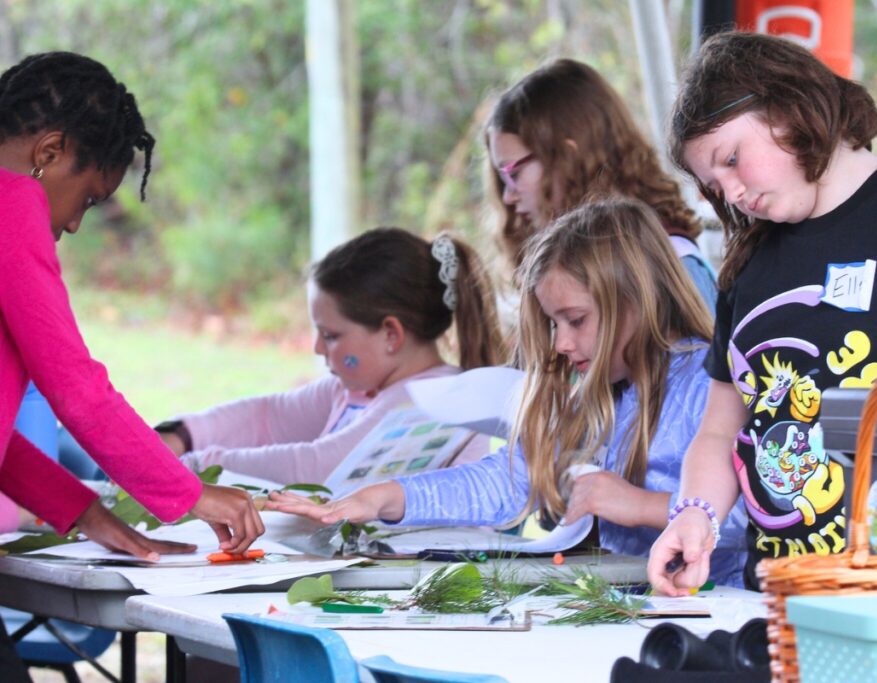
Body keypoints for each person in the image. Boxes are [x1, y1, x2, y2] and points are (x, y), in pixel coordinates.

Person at [647, 31, 877, 596]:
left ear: (789, 105)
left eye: (732, 159)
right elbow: (721, 428)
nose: (732, 193)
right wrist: (694, 513)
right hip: (770, 597)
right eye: (713, 185)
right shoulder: (749, 263)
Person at [267, 199, 749, 587]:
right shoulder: (598, 395)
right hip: (636, 606)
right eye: (553, 324)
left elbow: (756, 517)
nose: (561, 343)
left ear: (635, 302)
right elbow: (508, 481)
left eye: (576, 320)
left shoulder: (708, 387)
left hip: (720, 613)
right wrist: (381, 499)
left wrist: (637, 505)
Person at [0, 52, 264, 559]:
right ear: (50, 151)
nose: (76, 224)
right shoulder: (13, 203)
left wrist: (86, 512)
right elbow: (77, 390)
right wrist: (190, 494)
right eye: (89, 199)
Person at [157, 227, 504, 485]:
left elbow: (318, 467)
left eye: (331, 336)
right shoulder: (354, 390)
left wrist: (194, 465)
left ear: (390, 334)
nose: (318, 349)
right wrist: (184, 435)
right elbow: (267, 417)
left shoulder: (432, 399)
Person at [485, 58, 719, 310]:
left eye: (513, 173)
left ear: (567, 157)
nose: (508, 196)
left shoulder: (671, 263)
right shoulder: (568, 266)